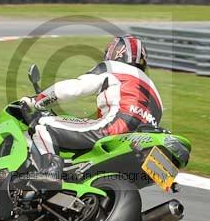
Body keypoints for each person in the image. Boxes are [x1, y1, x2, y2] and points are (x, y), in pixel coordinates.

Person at [20, 35, 163, 191]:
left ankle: (50, 172)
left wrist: (37, 101)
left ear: (115, 52)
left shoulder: (111, 67)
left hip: (114, 130)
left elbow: (73, 89)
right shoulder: (155, 90)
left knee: (43, 125)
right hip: (140, 143)